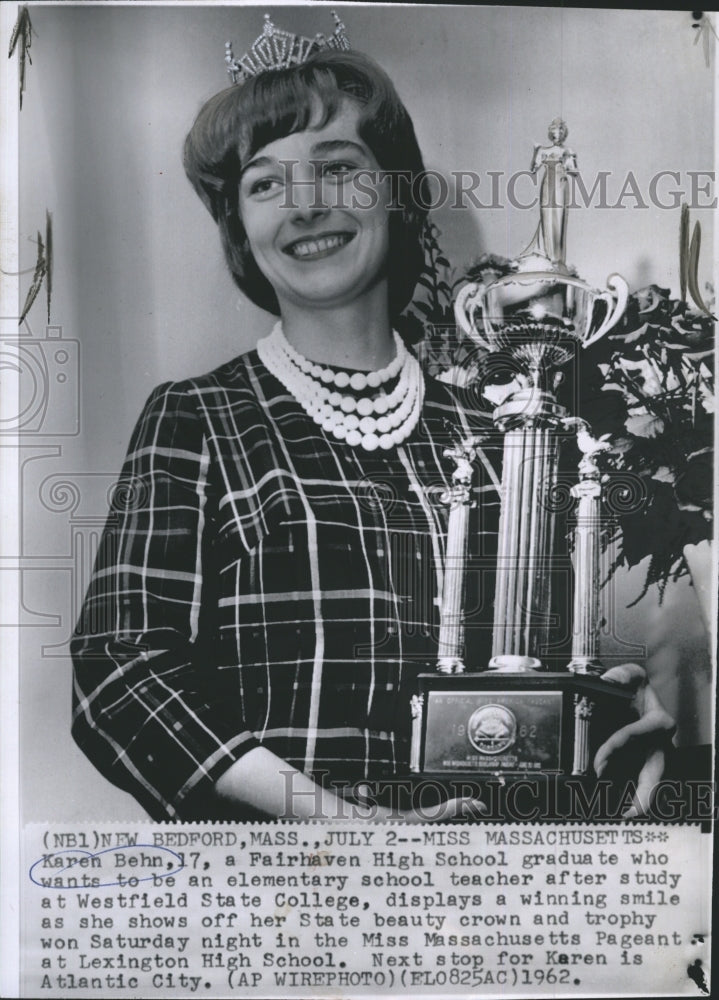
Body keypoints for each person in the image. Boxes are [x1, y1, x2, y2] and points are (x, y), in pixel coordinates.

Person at [70, 29, 673, 823]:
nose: (306, 204)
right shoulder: (197, 419)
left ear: (393, 191)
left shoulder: (496, 437)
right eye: (264, 184)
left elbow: (535, 690)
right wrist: (334, 820)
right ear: (239, 229)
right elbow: (118, 673)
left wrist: (611, 710)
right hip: (280, 903)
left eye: (337, 168)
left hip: (482, 894)